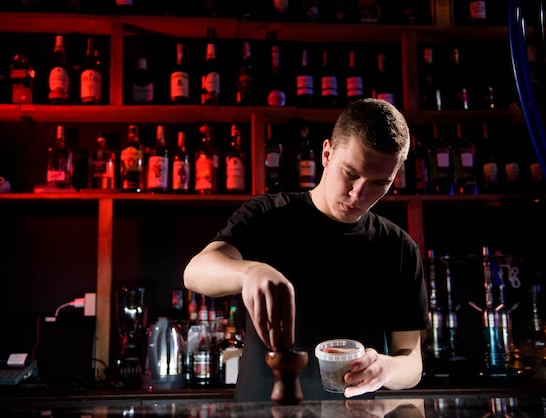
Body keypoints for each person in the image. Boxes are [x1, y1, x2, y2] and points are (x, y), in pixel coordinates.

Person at [183, 98, 431, 401]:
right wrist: (249, 271)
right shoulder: (267, 215)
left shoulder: (398, 247)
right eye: (350, 173)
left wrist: (386, 368)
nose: (359, 194)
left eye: (380, 183)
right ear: (326, 153)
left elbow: (411, 360)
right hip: (264, 412)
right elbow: (196, 271)